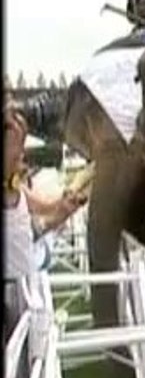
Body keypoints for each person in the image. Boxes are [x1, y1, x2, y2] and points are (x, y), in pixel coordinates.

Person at [5, 100, 85, 326]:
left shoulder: (16, 188)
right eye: (17, 154)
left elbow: (47, 209)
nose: (22, 159)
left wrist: (65, 207)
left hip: (25, 292)